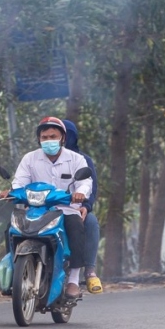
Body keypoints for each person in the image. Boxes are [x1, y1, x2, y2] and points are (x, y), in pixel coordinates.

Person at [0, 116, 93, 298]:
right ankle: (14, 271)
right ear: (39, 139)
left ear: (63, 138)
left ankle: (73, 279)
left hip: (64, 209)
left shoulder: (76, 159)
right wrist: (10, 192)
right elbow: (20, 182)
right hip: (35, 209)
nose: (49, 141)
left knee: (76, 227)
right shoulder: (30, 159)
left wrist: (80, 192)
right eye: (45, 137)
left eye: (53, 136)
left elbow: (85, 182)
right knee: (10, 230)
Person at [63, 119, 103, 294]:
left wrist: (85, 205)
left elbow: (90, 187)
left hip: (74, 207)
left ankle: (89, 270)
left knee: (91, 222)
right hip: (45, 207)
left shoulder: (83, 160)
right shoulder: (37, 159)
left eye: (66, 136)